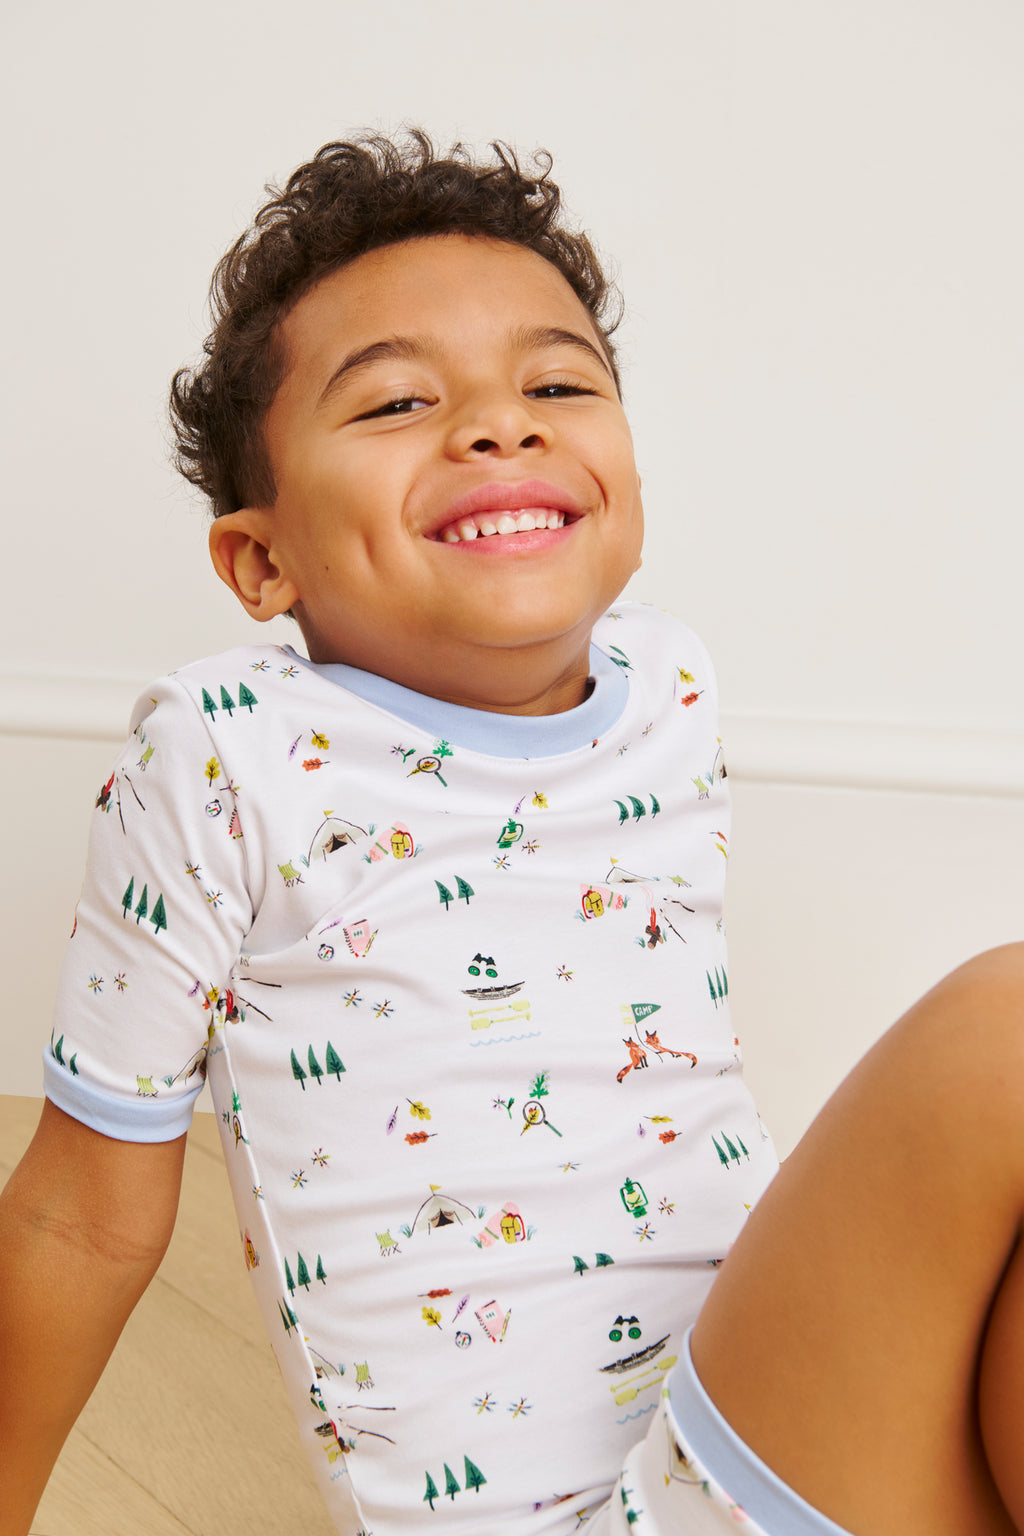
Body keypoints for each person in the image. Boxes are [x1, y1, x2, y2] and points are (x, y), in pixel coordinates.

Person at [0, 133, 1020, 1536]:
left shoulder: (669, 688)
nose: (498, 425)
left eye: (556, 384)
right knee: (1007, 1029)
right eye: (399, 401)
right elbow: (77, 1215)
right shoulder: (228, 752)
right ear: (261, 558)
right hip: (569, 1517)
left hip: (765, 1428)